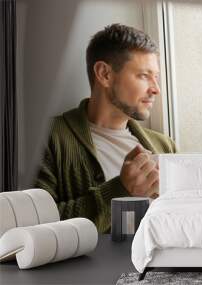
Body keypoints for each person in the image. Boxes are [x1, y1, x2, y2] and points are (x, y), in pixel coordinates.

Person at [35, 24, 176, 233]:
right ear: (104, 74)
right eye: (144, 75)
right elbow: (36, 229)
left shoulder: (164, 146)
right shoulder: (48, 138)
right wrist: (120, 190)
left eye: (156, 77)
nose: (156, 89)